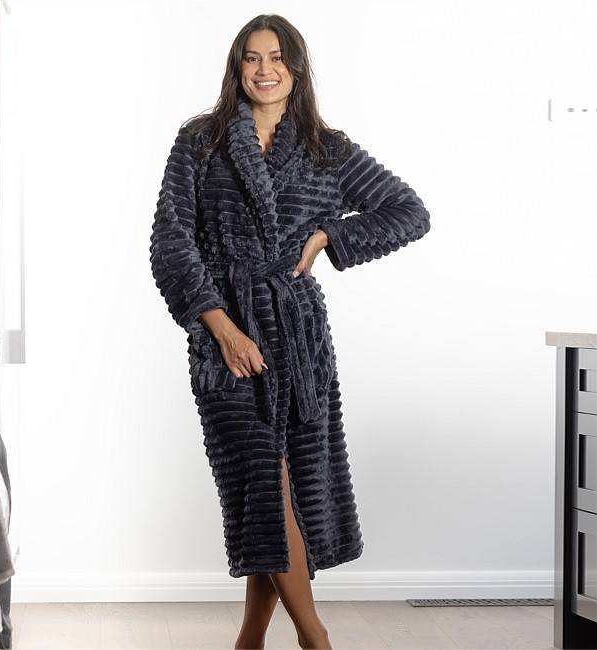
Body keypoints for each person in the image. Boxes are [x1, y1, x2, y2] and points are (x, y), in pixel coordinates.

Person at [149, 14, 431, 650]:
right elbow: (171, 240)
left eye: (277, 57)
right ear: (237, 68)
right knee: (261, 482)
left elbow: (410, 212)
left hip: (297, 338)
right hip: (225, 336)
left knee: (280, 492)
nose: (265, 69)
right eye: (252, 58)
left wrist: (331, 235)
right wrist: (222, 329)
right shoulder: (201, 141)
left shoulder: (326, 148)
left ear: (297, 68)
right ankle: (316, 637)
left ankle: (250, 637)